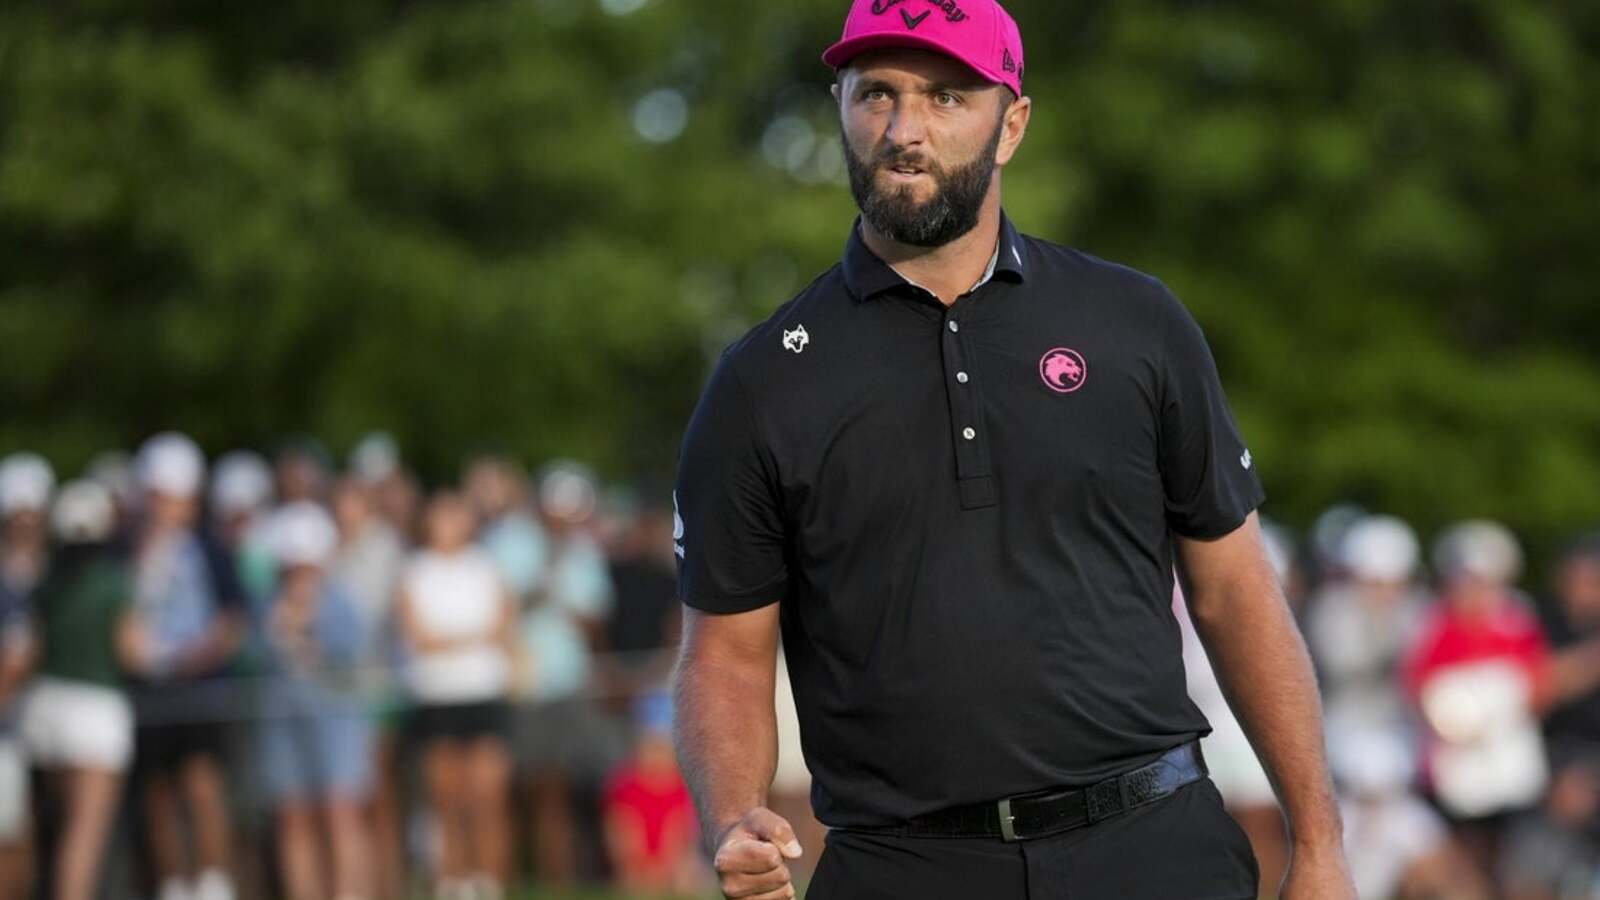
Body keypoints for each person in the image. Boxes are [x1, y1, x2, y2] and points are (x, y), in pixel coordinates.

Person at [670, 2, 1355, 897]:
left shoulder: (1136, 322)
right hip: (903, 868)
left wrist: (1320, 842)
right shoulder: (762, 381)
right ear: (839, 106)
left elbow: (1235, 591)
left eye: (947, 97)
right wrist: (733, 814)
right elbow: (724, 653)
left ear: (1013, 124)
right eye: (876, 94)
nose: (904, 131)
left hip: (1156, 849)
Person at [122, 433, 247, 900]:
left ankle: (213, 882)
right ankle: (173, 886)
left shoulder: (211, 546)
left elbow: (234, 617)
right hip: (150, 686)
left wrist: (202, 653)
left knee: (202, 784)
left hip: (201, 685)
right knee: (159, 792)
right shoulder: (128, 549)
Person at [19, 480, 137, 900]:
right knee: (83, 838)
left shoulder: (45, 581)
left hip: (43, 708)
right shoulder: (113, 582)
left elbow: (31, 649)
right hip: (94, 712)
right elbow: (132, 652)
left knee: (57, 831)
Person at [397, 492, 516, 900]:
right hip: (437, 695)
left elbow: (501, 624)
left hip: (483, 691)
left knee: (487, 796)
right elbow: (419, 636)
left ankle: (488, 880)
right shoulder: (415, 570)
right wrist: (473, 637)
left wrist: (450, 639)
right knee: (445, 797)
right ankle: (451, 879)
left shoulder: (485, 566)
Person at [256, 501, 374, 900]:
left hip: (337, 718)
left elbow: (349, 649)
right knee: (293, 816)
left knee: (340, 812)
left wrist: (308, 624)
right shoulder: (266, 604)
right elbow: (254, 654)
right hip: (282, 718)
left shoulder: (341, 601)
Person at [601, 692, 703, 895]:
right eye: (652, 748)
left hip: (673, 866)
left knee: (689, 877)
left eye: (662, 749)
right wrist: (636, 865)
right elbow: (622, 833)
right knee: (634, 883)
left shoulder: (682, 787)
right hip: (636, 865)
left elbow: (682, 836)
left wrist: (670, 866)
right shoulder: (625, 787)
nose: (657, 758)